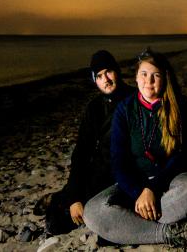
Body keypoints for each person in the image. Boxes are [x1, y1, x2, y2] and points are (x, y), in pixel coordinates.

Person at [83, 48, 187, 249]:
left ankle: (128, 229)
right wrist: (139, 192)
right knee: (92, 212)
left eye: (156, 75)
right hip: (135, 184)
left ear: (164, 78)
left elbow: (185, 154)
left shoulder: (178, 105)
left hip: (170, 180)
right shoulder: (125, 109)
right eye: (144, 74)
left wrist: (153, 189)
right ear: (136, 78)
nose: (149, 81)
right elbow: (118, 160)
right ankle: (168, 232)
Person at [44, 49, 131, 235]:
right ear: (94, 80)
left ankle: (58, 196)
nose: (105, 79)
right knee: (56, 222)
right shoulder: (94, 108)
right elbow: (82, 151)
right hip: (99, 171)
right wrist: (74, 197)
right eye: (99, 76)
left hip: (124, 174)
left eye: (108, 71)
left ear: (117, 71)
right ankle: (61, 195)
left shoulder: (136, 99)